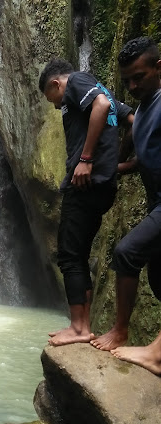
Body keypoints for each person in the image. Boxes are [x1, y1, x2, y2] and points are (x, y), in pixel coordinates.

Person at [38, 58, 133, 346]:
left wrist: (87, 159)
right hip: (101, 186)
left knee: (69, 255)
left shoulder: (78, 81)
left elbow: (101, 106)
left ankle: (79, 328)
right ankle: (80, 325)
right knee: (77, 254)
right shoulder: (99, 87)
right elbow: (133, 122)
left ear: (57, 84)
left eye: (51, 98)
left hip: (84, 187)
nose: (55, 106)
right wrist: (116, 163)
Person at [89, 37, 161, 373]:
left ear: (158, 68)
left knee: (126, 253)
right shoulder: (145, 106)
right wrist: (117, 166)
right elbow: (141, 147)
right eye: (127, 80)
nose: (133, 85)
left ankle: (122, 332)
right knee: (159, 277)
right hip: (155, 203)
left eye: (139, 77)